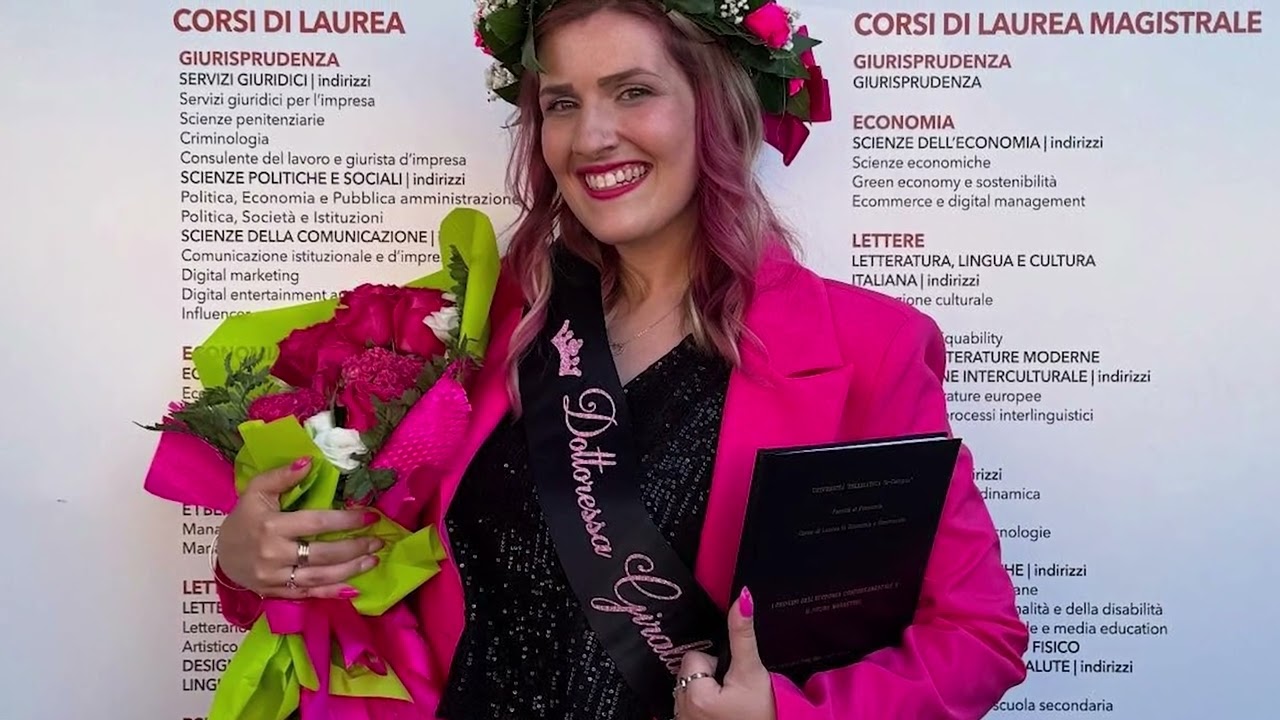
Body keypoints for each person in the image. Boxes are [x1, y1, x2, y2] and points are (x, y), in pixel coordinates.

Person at [211, 1, 1030, 718]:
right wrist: (254, 563)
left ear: (714, 108)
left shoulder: (867, 347)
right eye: (562, 103)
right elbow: (371, 571)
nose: (591, 137)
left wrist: (787, 715)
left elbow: (976, 635)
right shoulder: (482, 328)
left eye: (634, 91)